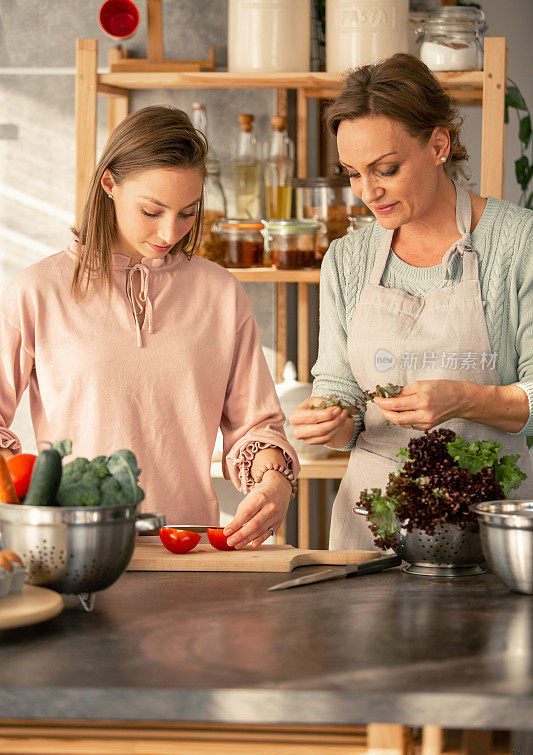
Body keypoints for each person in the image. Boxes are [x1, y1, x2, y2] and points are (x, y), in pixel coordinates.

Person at [0, 105, 299, 550]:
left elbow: (256, 426)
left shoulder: (220, 293)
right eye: (152, 210)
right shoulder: (37, 291)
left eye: (188, 213)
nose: (169, 232)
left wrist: (274, 481)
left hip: (189, 548)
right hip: (76, 549)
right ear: (109, 184)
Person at [290, 52, 533, 551]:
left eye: (386, 168)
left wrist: (463, 399)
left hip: (487, 532)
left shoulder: (517, 244)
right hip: (370, 533)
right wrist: (332, 420)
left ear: (439, 144)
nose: (367, 192)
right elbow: (340, 389)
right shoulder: (347, 259)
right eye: (352, 173)